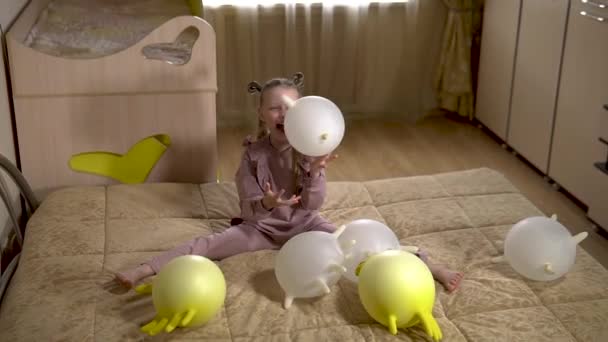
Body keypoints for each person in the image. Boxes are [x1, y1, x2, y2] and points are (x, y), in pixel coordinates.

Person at [115, 72, 463, 292]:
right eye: (275, 109)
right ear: (261, 115)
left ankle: (427, 263)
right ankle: (146, 269)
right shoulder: (253, 154)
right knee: (208, 245)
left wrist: (315, 172)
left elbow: (313, 206)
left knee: (362, 246)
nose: (284, 115)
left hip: (305, 225)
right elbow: (248, 203)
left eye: (291, 108)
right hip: (261, 228)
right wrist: (267, 203)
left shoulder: (309, 152)